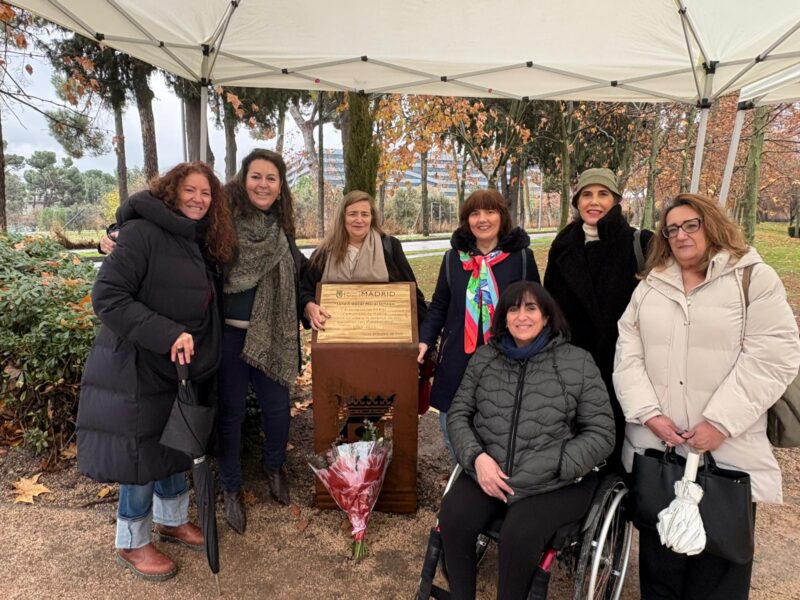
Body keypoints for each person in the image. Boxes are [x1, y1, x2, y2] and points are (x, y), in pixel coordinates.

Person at [613, 193, 800, 600]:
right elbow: (628, 352)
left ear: (711, 224)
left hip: (726, 450)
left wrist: (720, 422)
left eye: (690, 224)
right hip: (660, 446)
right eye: (672, 228)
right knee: (661, 568)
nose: (681, 235)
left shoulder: (752, 277)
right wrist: (647, 413)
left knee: (717, 572)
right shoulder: (651, 285)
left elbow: (774, 354)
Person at [77, 161, 237, 581]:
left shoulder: (195, 238)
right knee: (141, 452)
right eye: (190, 190)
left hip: (175, 366)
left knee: (172, 444)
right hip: (135, 366)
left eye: (206, 193)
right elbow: (108, 297)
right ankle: (131, 541)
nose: (199, 199)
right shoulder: (143, 233)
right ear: (170, 191)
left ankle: (171, 519)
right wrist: (168, 334)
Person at [440, 281, 615, 600]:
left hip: (555, 481)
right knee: (453, 515)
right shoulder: (485, 358)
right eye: (513, 308)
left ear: (547, 317)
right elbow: (459, 414)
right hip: (491, 470)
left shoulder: (577, 362)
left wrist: (552, 465)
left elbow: (602, 433)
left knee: (519, 535)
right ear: (503, 317)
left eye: (531, 308)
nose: (522, 316)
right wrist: (477, 458)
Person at [217, 149, 307, 533]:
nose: (264, 184)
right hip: (227, 338)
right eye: (257, 176)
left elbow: (302, 274)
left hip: (273, 337)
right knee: (230, 415)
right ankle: (231, 487)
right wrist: (116, 231)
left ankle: (274, 467)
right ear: (243, 178)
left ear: (281, 185)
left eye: (272, 178)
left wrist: (313, 301)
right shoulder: (221, 221)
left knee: (276, 411)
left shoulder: (281, 230)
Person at [417, 189, 540, 459]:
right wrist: (425, 340)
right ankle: (462, 482)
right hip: (458, 358)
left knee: (500, 431)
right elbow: (439, 305)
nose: (482, 219)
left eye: (490, 211)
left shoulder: (520, 259)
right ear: (466, 220)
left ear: (502, 217)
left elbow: (535, 309)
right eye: (474, 213)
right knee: (453, 429)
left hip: (506, 359)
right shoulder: (453, 259)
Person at [544, 167, 652, 471]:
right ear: (577, 202)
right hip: (572, 365)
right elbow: (549, 305)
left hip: (621, 363)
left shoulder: (639, 243)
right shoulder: (563, 245)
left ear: (616, 200)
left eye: (603, 194)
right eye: (587, 194)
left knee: (614, 446)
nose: (594, 201)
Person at [300, 189, 426, 330]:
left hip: (383, 339)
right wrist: (309, 305)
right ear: (343, 217)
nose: (359, 220)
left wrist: (424, 338)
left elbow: (412, 294)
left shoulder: (390, 247)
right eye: (353, 214)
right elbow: (305, 290)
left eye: (365, 214)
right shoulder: (323, 252)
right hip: (335, 340)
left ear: (372, 218)